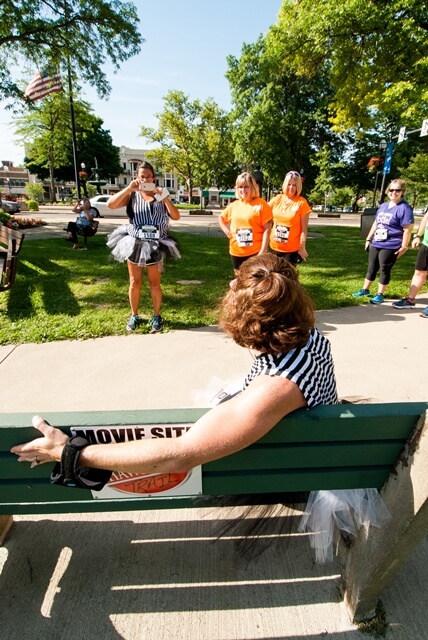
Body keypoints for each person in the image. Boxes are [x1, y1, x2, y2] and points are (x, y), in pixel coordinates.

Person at [10, 254, 338, 479]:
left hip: (290, 470)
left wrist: (69, 452)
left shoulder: (276, 387)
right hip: (309, 442)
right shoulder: (306, 332)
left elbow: (180, 454)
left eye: (233, 285)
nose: (228, 287)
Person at [106, 161, 181, 333]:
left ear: (154, 178)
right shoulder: (132, 195)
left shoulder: (161, 194)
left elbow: (176, 216)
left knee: (155, 283)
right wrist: (129, 188)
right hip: (135, 243)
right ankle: (134, 315)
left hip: (157, 243)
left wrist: (166, 198)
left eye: (148, 176)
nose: (145, 179)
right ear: (137, 178)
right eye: (142, 176)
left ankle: (156, 316)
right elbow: (111, 204)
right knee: (135, 281)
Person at [352, 179, 414, 304]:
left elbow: (407, 229)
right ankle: (365, 289)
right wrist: (369, 238)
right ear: (387, 191)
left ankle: (380, 294)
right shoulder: (384, 206)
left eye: (397, 190)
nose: (394, 193)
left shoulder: (404, 208)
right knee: (371, 267)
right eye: (391, 190)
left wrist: (404, 247)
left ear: (402, 192)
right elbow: (376, 223)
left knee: (384, 268)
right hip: (377, 242)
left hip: (392, 244)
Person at [218, 172, 273, 274]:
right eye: (240, 187)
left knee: (254, 283)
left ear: (253, 187)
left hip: (255, 252)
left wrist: (262, 251)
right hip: (236, 252)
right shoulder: (234, 205)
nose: (243, 190)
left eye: (246, 187)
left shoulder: (261, 204)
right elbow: (221, 218)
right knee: (240, 282)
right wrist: (226, 230)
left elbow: (267, 230)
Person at [268, 170, 311, 264]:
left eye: (294, 185)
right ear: (285, 184)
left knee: (287, 277)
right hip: (274, 247)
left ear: (298, 186)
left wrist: (302, 247)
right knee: (273, 276)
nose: (291, 187)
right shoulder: (277, 199)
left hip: (291, 249)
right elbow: (264, 212)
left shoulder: (302, 203)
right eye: (289, 184)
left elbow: (304, 229)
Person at [392, 208, 428, 318]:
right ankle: (410, 300)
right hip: (427, 243)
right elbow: (426, 218)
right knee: (420, 271)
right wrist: (418, 235)